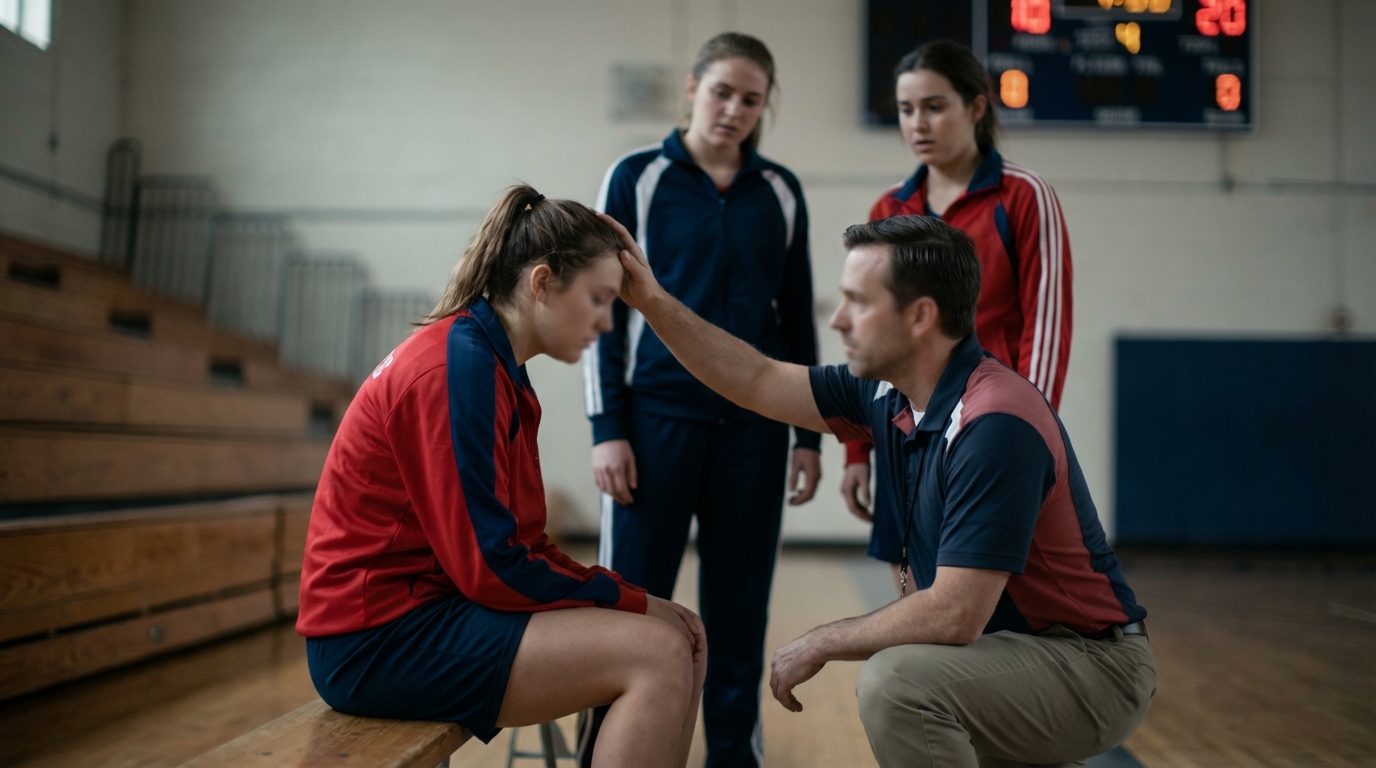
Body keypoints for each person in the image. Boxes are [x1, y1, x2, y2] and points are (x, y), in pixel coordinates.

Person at [603, 210, 1154, 768]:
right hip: (1009, 653)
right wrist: (650, 300)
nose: (838, 320)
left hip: (1090, 663)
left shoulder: (994, 423)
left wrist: (821, 639)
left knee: (900, 684)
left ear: (920, 316)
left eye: (858, 302)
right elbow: (756, 379)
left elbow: (953, 615)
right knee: (913, 673)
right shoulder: (886, 393)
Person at [296, 185, 707, 768]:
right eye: (598, 299)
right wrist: (628, 600)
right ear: (542, 282)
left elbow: (523, 545)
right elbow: (489, 568)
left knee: (686, 638)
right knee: (659, 652)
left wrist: (631, 601)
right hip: (374, 640)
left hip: (428, 613)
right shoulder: (454, 366)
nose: (606, 325)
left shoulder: (494, 365)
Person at [582, 32, 820, 768]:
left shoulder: (781, 191)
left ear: (764, 107)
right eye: (722, 92)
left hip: (755, 434)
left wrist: (809, 436)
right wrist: (607, 428)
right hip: (653, 431)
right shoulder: (635, 178)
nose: (734, 110)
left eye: (751, 100)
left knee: (738, 618)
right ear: (692, 88)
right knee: (625, 612)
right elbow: (602, 311)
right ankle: (608, 755)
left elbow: (799, 319)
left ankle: (732, 760)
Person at [840, 40, 1074, 595]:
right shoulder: (888, 211)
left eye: (934, 106)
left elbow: (1047, 329)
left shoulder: (1024, 196)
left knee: (983, 599)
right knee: (913, 602)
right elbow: (871, 333)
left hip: (988, 434)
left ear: (976, 107)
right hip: (905, 438)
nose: (917, 123)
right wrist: (857, 448)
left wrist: (1018, 438)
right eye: (905, 109)